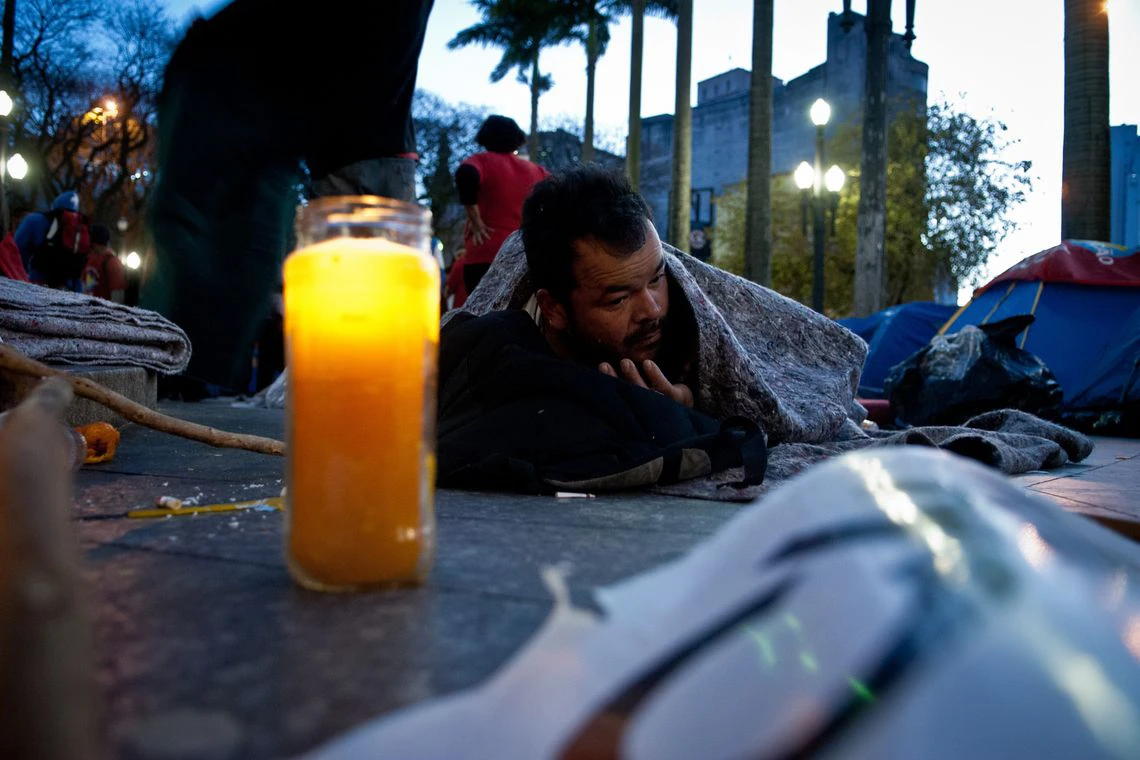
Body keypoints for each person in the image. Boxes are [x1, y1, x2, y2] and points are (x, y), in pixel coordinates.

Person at [143, 0, 434, 390]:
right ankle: (161, 371)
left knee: (252, 247)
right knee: (194, 230)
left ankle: (199, 377)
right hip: (226, 77)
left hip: (289, 119)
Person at [452, 115, 548, 304]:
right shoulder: (537, 171)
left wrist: (476, 219)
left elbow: (466, 175)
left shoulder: (481, 161)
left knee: (480, 316)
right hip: (524, 257)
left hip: (484, 253)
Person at [14, 191, 90, 290]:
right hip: (70, 290)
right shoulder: (81, 228)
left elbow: (16, 249)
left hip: (37, 285)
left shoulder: (35, 220)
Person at [81, 224, 127, 303]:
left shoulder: (112, 262)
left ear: (94, 243)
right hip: (88, 309)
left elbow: (117, 294)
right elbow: (85, 286)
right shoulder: (91, 259)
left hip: (103, 311)